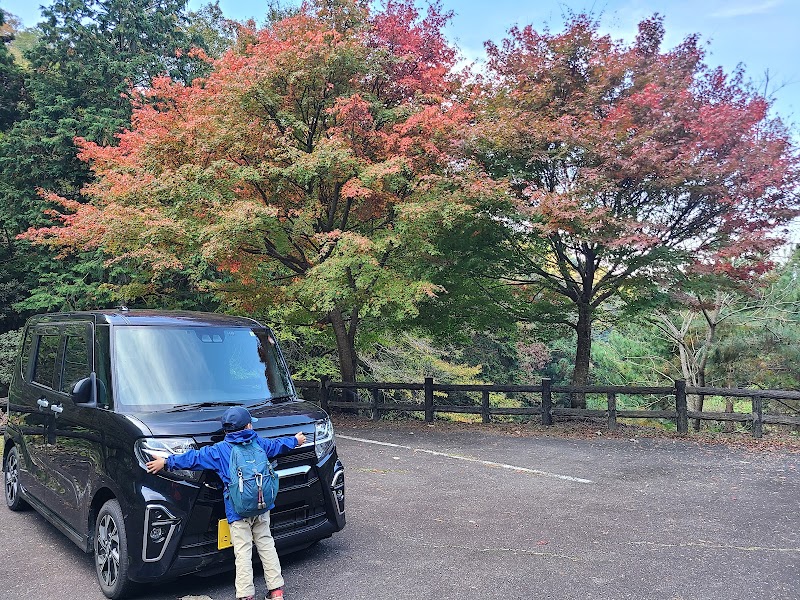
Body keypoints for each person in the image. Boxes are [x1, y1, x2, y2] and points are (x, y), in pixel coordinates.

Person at [145, 406, 306, 600]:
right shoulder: (259, 443)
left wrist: (166, 462)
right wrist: (295, 441)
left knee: (243, 551)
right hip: (262, 506)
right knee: (266, 544)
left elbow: (193, 458)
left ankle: (246, 594)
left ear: (226, 430)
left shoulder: (220, 450)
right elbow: (278, 445)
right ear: (248, 426)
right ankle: (276, 591)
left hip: (237, 511)